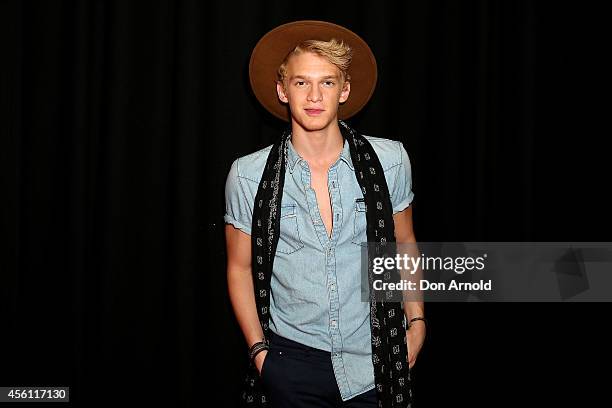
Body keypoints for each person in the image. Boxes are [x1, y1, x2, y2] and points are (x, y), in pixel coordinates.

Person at [224, 20, 425, 408]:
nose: (314, 95)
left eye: (328, 82)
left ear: (344, 90)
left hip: (375, 357)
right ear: (283, 90)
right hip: (290, 362)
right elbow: (239, 268)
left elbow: (404, 243)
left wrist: (416, 320)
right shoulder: (248, 175)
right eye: (301, 83)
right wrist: (259, 354)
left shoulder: (391, 161)